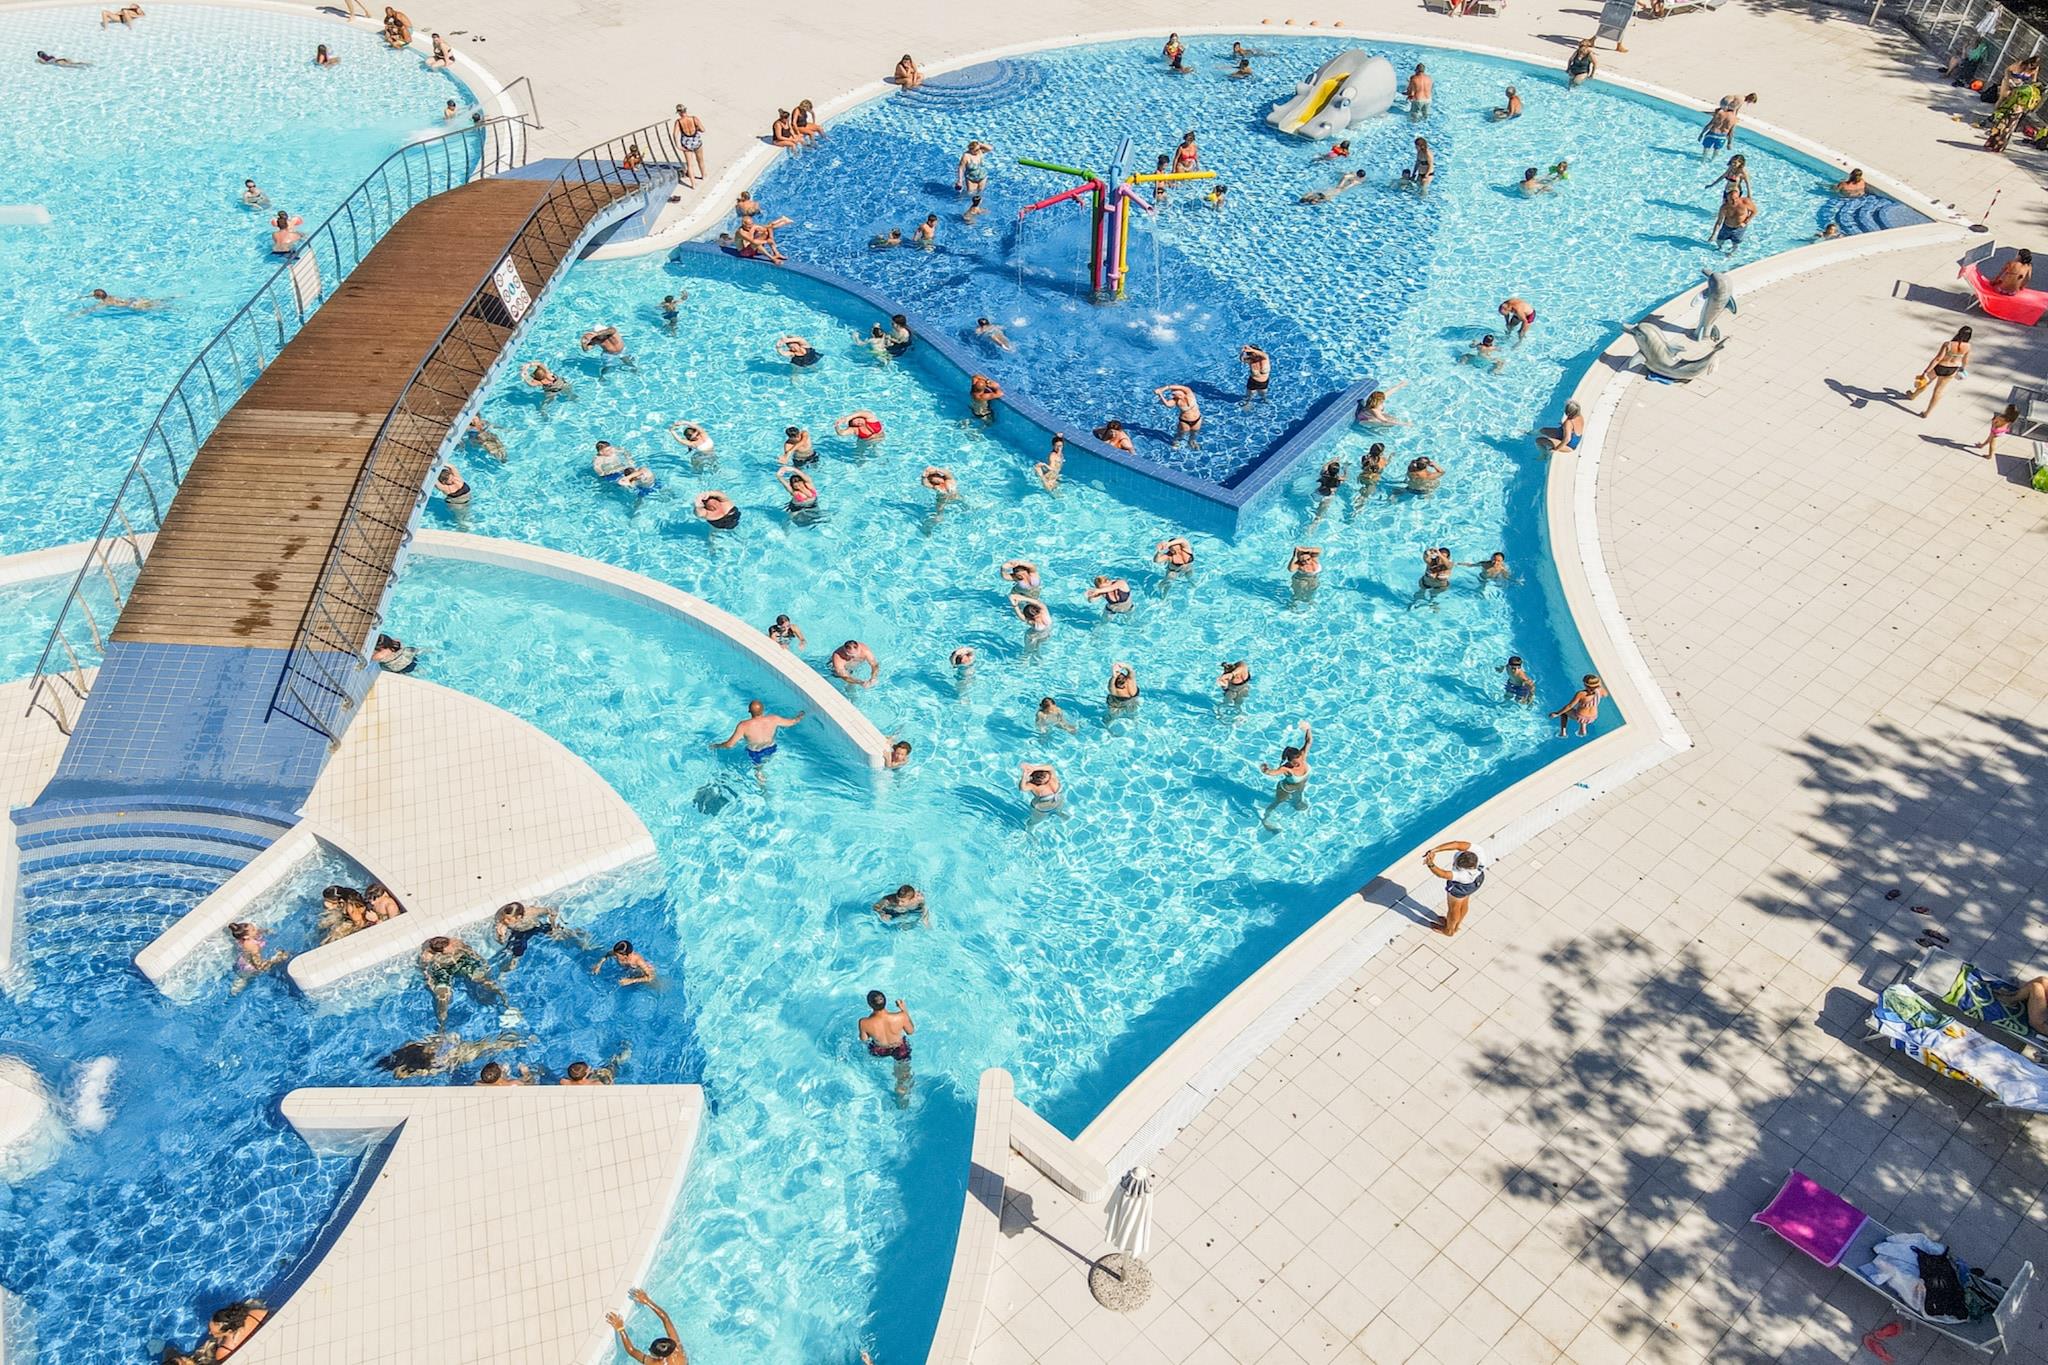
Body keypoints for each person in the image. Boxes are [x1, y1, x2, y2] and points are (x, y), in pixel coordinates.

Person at [419, 935, 505, 1029]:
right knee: (443, 996)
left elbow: (472, 952)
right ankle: (442, 1023)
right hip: (443, 970)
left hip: (462, 963)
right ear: (441, 951)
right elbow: (426, 972)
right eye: (449, 947)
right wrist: (431, 984)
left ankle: (504, 1001)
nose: (452, 946)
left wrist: (484, 965)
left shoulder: (456, 944)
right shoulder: (428, 956)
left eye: (450, 944)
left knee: (482, 980)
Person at [374, 1030, 527, 1079]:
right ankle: (515, 1041)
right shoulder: (415, 1047)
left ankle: (514, 1042)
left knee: (488, 1047)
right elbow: (434, 1039)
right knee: (487, 1046)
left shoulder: (427, 1063)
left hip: (460, 1054)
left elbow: (400, 1075)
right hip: (459, 1050)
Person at [712, 699, 806, 774]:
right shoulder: (774, 719)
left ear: (749, 711)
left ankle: (762, 786)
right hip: (772, 748)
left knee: (759, 772)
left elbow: (729, 745)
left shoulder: (743, 725)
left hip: (755, 753)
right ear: (763, 710)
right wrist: (800, 716)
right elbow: (792, 722)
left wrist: (717, 745)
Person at [858, 990, 916, 1104]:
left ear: (870, 1005)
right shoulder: (901, 1016)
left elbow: (864, 1039)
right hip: (899, 1049)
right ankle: (902, 1100)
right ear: (886, 1001)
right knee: (903, 1078)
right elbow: (910, 1031)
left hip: (879, 1050)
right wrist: (904, 1010)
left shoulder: (863, 1022)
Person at [493, 901, 584, 968]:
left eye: (508, 919)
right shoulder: (502, 923)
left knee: (560, 934)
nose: (504, 920)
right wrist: (501, 937)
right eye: (504, 917)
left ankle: (580, 940)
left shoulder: (531, 912)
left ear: (519, 917)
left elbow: (551, 911)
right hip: (519, 934)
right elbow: (501, 942)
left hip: (536, 927)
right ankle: (505, 973)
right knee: (515, 954)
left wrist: (553, 923)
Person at [1423, 841, 1487, 935]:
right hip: (1477, 880)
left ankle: (1449, 930)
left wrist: (1430, 863)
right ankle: (1456, 925)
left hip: (1461, 887)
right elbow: (1457, 844)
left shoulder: (1463, 875)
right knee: (1464, 902)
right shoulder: (1478, 851)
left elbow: (1442, 874)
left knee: (1454, 908)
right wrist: (1435, 850)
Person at [606, 1288, 688, 1363]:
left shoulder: (654, 1363)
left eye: (651, 1351)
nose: (649, 1351)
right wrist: (647, 1301)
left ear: (660, 1358)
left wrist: (620, 1328)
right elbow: (665, 1319)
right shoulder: (676, 1348)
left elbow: (632, 1351)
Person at [1258, 721, 1313, 829]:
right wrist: (1265, 770)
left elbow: (1308, 741)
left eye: (1299, 761)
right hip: (1285, 789)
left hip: (1300, 785)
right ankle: (1265, 819)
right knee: (1277, 802)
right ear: (1289, 761)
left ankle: (1296, 803)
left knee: (1298, 797)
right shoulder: (1286, 768)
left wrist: (1307, 729)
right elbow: (1273, 773)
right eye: (1295, 763)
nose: (1298, 764)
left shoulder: (1302, 756)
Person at [1912, 326, 1971, 418]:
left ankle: (1913, 395)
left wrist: (1926, 371)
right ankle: (1927, 413)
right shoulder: (1968, 346)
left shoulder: (1948, 344)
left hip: (1941, 366)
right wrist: (1962, 369)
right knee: (1938, 391)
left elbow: (1938, 358)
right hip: (1952, 369)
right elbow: (1965, 360)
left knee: (1926, 382)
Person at [227, 922, 288, 991]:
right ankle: (237, 986)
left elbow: (260, 931)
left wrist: (267, 931)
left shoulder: (249, 936)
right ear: (246, 937)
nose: (256, 929)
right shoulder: (251, 946)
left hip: (247, 956)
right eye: (253, 930)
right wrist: (276, 958)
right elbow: (260, 966)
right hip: (249, 966)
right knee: (246, 978)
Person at [1711, 187, 1758, 253]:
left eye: (1736, 198)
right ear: (1727, 199)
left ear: (1739, 197)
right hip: (1726, 227)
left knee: (1735, 243)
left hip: (1739, 228)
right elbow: (1719, 221)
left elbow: (1755, 211)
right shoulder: (1724, 207)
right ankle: (1719, 248)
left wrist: (1745, 222)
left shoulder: (1745, 203)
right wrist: (1713, 234)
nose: (1734, 201)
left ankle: (1731, 253)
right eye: (1731, 199)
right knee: (1719, 241)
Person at [591, 939, 658, 986]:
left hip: (640, 971)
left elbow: (650, 977)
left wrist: (631, 981)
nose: (616, 956)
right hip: (628, 969)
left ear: (626, 955)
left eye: (618, 956)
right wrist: (598, 965)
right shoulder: (617, 952)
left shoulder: (638, 961)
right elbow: (607, 955)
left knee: (653, 985)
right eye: (615, 954)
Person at [1155, 384, 1202, 448]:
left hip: (1197, 419)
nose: (1173, 394)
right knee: (1181, 434)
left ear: (1182, 392)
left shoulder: (1189, 394)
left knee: (1194, 432)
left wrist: (1162, 389)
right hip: (1185, 421)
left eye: (1175, 392)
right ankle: (1175, 441)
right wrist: (1160, 394)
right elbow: (1168, 405)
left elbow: (1180, 387)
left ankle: (1191, 441)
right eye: (1173, 393)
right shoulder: (1175, 401)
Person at [561, 1047, 631, 1085]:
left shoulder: (564, 1082)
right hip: (604, 1078)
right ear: (586, 1073)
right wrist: (611, 1080)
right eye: (588, 1068)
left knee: (600, 1070)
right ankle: (627, 1050)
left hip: (586, 1078)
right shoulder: (596, 1084)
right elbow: (610, 1086)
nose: (589, 1067)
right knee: (613, 1064)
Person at [673, 105, 706, 183]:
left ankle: (693, 184)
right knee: (700, 161)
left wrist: (678, 145)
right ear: (686, 110)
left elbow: (675, 134)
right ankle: (703, 176)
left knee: (690, 165)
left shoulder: (678, 122)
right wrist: (696, 129)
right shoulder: (694, 118)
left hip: (686, 144)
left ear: (679, 113)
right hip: (696, 142)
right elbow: (703, 130)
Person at [1299, 170, 1368, 205]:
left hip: (1331, 189)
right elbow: (1343, 189)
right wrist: (1352, 185)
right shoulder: (1357, 181)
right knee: (1336, 192)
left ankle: (1310, 197)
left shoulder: (1351, 173)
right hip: (1333, 192)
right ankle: (1312, 198)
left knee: (1336, 189)